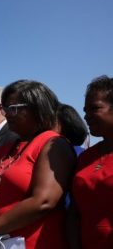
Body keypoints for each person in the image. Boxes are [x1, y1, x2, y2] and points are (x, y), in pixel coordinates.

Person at [0, 80, 76, 249]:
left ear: (37, 108)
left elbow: (44, 201)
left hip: (35, 242)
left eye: (14, 108)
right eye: (6, 108)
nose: (7, 113)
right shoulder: (6, 147)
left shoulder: (53, 144)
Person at [68, 75, 113, 248]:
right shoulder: (86, 157)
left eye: (94, 108)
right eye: (85, 110)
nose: (86, 116)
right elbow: (74, 211)